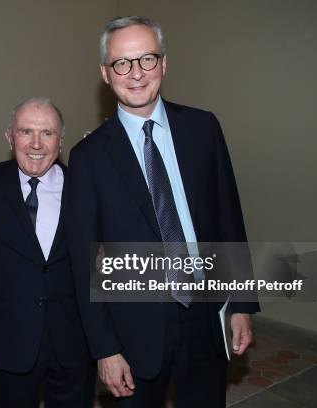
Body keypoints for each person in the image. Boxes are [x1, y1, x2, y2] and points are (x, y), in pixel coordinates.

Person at [65, 16, 259, 407]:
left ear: (164, 64)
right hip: (133, 329)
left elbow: (228, 219)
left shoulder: (204, 129)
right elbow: (82, 262)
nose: (135, 73)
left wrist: (240, 304)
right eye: (122, 62)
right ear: (106, 73)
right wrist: (105, 349)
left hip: (206, 314)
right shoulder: (88, 157)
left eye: (147, 59)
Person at [0, 98, 94, 407]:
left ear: (61, 140)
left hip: (75, 343)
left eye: (47, 133)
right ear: (9, 137)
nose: (36, 143)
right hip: (9, 342)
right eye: (26, 132)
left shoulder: (86, 186)